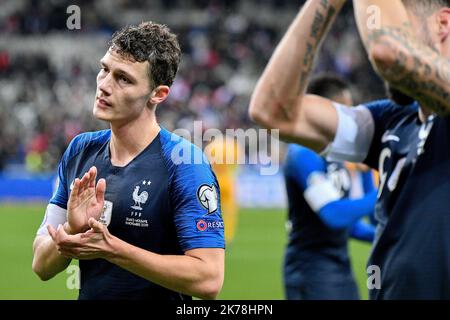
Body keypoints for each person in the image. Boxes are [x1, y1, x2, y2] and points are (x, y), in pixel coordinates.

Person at [249, 0, 450, 299]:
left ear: (442, 24)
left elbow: (389, 52)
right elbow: (273, 111)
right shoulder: (392, 121)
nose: (370, 44)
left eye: (397, 23)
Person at [32, 22, 225, 300]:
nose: (104, 85)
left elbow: (209, 280)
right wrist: (72, 230)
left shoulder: (185, 164)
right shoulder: (80, 150)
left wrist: (112, 249)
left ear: (158, 94)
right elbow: (41, 265)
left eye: (124, 78)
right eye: (105, 69)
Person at [283, 73, 376, 300]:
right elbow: (333, 214)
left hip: (340, 266)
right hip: (311, 269)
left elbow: (350, 227)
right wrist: (382, 193)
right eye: (345, 110)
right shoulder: (302, 154)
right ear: (323, 110)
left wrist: (388, 234)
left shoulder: (337, 153)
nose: (351, 118)